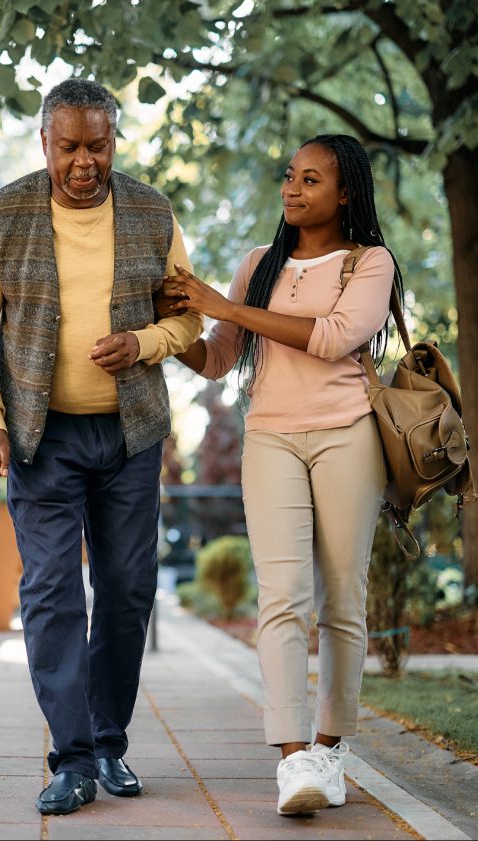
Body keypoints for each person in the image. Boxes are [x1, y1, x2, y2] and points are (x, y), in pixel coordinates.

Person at [0, 78, 203, 816]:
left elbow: (188, 322)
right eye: (71, 147)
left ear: (113, 141)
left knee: (127, 591)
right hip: (40, 434)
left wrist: (145, 342)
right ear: (45, 143)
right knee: (52, 591)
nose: (85, 162)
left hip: (129, 434)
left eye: (99, 145)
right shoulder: (5, 214)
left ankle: (108, 740)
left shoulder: (153, 211)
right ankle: (71, 757)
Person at [160, 134, 400, 816]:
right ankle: (294, 757)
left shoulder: (368, 263)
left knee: (342, 602)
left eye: (311, 179)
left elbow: (330, 338)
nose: (293, 189)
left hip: (347, 436)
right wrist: (169, 331)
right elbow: (217, 359)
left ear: (345, 191)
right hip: (270, 439)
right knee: (283, 596)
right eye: (290, 176)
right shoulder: (257, 265)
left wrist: (222, 304)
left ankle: (331, 746)